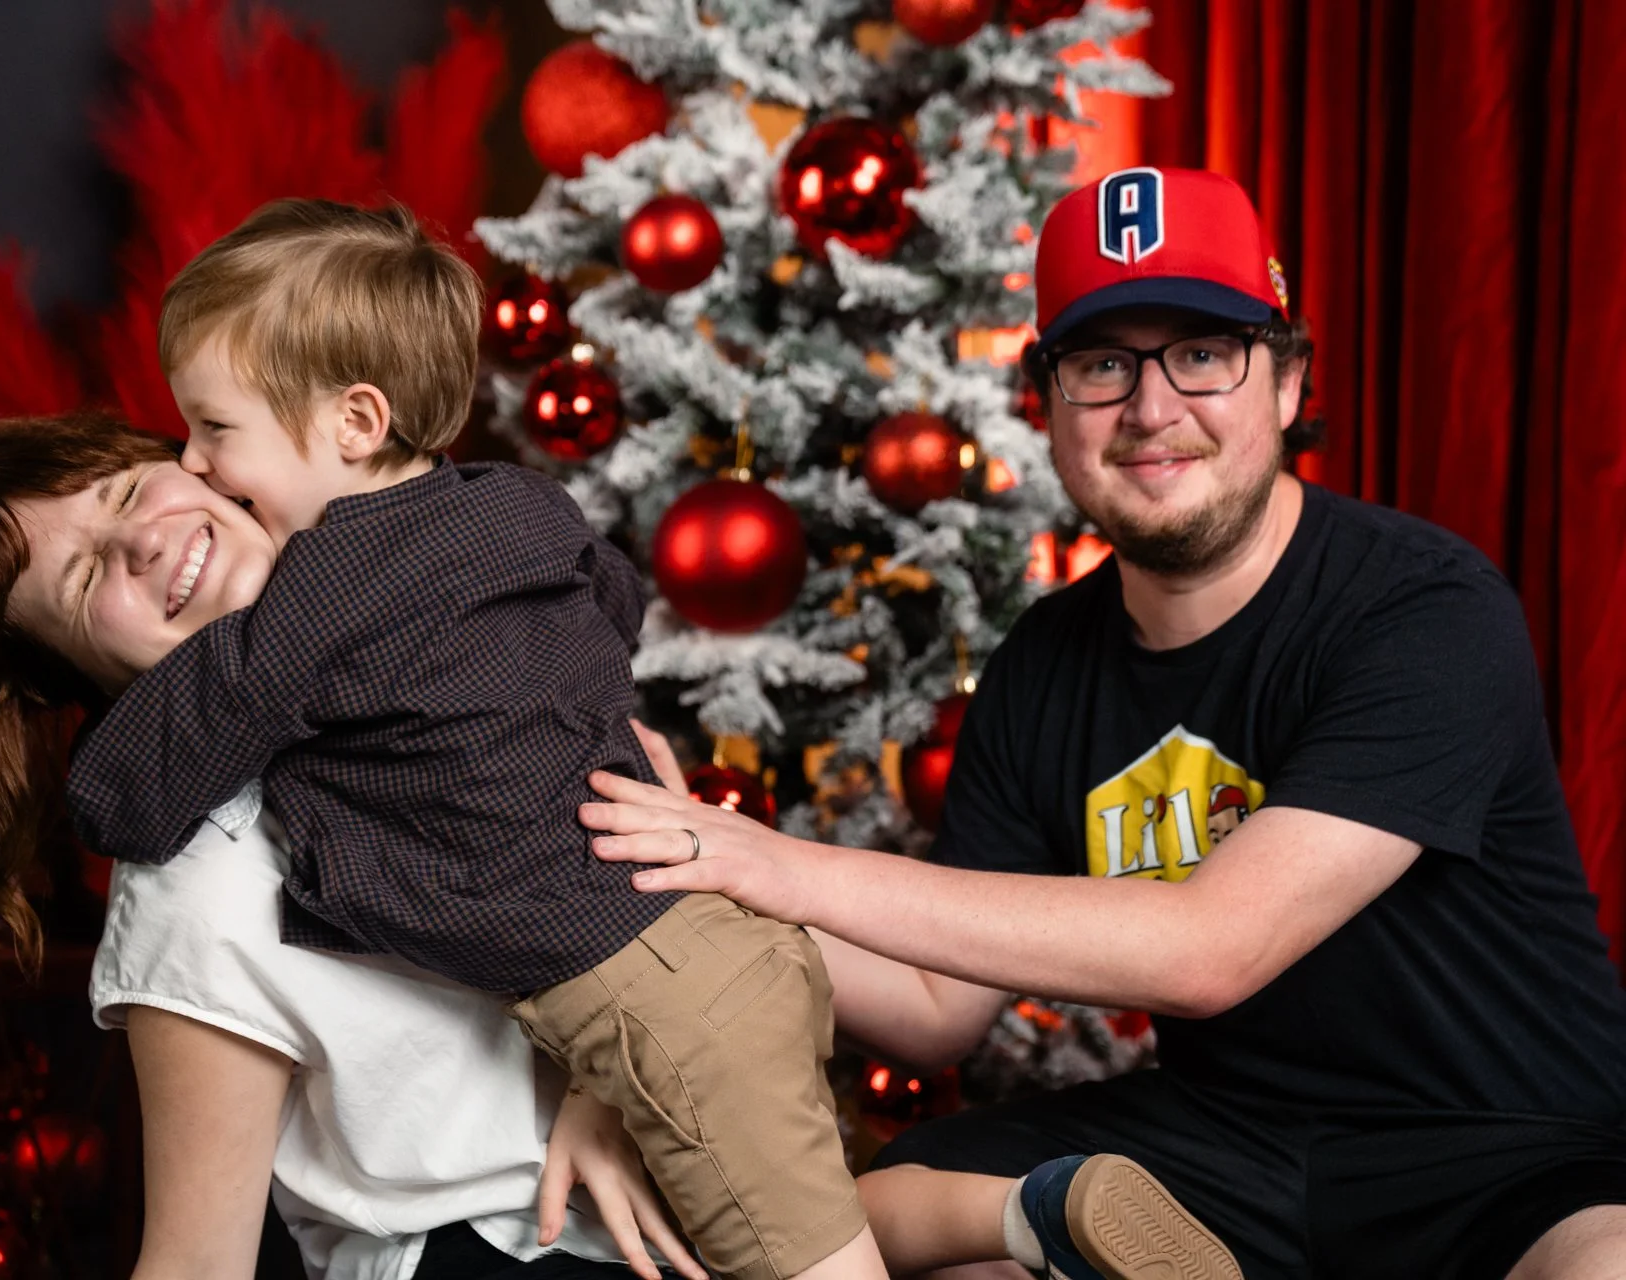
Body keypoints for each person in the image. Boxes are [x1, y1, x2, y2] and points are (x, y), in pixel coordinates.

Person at [580, 166, 1626, 1280]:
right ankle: (1038, 1220)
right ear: (1049, 404)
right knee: (857, 1210)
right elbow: (937, 1007)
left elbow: (1211, 947)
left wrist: (778, 860)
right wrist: (703, 869)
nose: (1151, 407)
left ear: (1285, 382)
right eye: (1102, 363)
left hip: (1507, 1148)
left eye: (1202, 352)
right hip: (1226, 1145)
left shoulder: (1422, 607)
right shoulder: (1044, 660)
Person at [60, 199, 885, 1280]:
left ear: (354, 421)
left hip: (659, 1016)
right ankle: (1023, 1215)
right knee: (793, 1226)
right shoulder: (518, 502)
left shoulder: (310, 606)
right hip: (732, 950)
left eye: (217, 429)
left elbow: (120, 796)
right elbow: (615, 599)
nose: (198, 461)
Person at [0, 412, 705, 1280]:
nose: (140, 542)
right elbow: (196, 1262)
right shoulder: (192, 879)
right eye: (83, 580)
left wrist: (606, 1086)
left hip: (672, 1152)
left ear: (203, 470)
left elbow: (660, 927)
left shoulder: (451, 646)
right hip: (488, 1249)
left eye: (123, 490)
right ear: (81, 669)